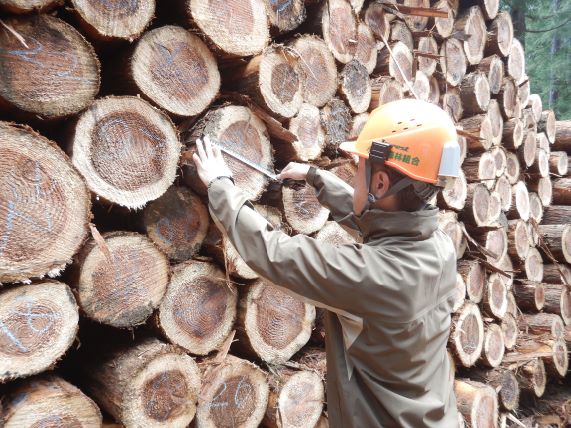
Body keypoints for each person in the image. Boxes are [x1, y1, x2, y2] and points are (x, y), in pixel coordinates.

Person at [192, 99, 462, 427]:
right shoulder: (438, 247)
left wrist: (221, 186)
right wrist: (317, 179)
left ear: (380, 184)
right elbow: (382, 222)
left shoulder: (374, 277)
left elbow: (274, 253)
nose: (355, 173)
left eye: (360, 167)